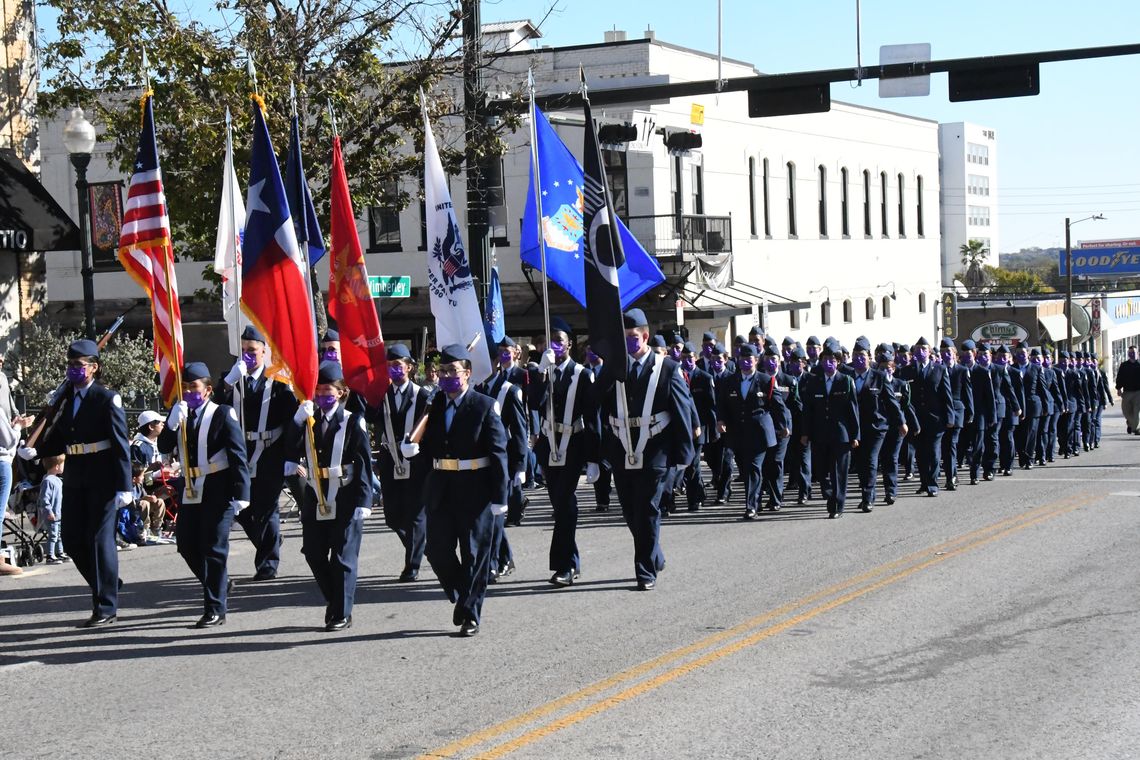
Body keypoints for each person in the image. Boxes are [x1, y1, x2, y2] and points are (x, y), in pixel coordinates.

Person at [400, 343, 508, 636]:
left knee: (474, 554)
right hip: (441, 488)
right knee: (436, 550)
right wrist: (412, 449)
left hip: (476, 489)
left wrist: (501, 496)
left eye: (454, 371)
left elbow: (498, 452)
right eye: (443, 371)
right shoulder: (434, 407)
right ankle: (462, 593)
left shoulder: (484, 405)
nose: (448, 376)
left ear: (468, 373)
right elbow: (429, 447)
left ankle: (471, 612)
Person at [29, 339, 132, 626]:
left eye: (79, 365)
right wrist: (35, 450)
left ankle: (106, 607)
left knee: (100, 542)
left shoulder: (105, 398)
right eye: (70, 365)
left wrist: (125, 486)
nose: (74, 370)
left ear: (94, 368)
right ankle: (109, 582)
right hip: (75, 474)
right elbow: (59, 437)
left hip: (103, 474)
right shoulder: (66, 399)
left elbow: (120, 444)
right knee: (73, 540)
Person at [596, 309, 695, 590]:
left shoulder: (668, 368)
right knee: (630, 511)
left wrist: (683, 459)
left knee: (648, 508)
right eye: (625, 337)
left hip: (655, 450)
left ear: (646, 336)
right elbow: (597, 403)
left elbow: (682, 414)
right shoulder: (614, 367)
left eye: (634, 337)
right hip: (622, 449)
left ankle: (644, 570)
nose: (630, 342)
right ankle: (654, 555)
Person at [160, 362, 250, 628]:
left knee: (213, 548)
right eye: (185, 387)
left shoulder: (222, 414)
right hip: (190, 488)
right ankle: (221, 583)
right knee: (186, 545)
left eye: (194, 387)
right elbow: (164, 446)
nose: (188, 392)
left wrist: (241, 492)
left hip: (217, 487)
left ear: (208, 390)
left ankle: (215, 608)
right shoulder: (180, 414)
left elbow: (237, 454)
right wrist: (171, 424)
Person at [288, 361, 373, 631]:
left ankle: (341, 613)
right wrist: (296, 421)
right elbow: (288, 450)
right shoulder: (308, 420)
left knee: (342, 557)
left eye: (328, 390)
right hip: (315, 495)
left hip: (346, 494)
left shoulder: (351, 421)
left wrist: (364, 500)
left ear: (341, 392)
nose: (323, 395)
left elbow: (363, 462)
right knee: (313, 552)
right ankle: (335, 600)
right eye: (319, 390)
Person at [217, 325, 299, 581]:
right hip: (239, 451)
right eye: (242, 351)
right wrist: (228, 383)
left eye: (252, 350)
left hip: (269, 451)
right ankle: (270, 540)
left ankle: (267, 564)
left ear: (264, 351)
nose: (247, 356)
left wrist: (291, 457)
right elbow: (215, 409)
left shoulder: (278, 382)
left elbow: (290, 420)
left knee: (266, 508)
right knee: (240, 509)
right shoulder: (232, 378)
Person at [531, 317, 599, 586]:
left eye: (559, 341)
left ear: (570, 344)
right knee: (559, 505)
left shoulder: (583, 374)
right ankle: (572, 563)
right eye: (550, 343)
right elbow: (534, 403)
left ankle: (564, 566)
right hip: (549, 443)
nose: (554, 347)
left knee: (564, 503)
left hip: (573, 444)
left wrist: (594, 458)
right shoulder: (543, 371)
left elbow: (592, 417)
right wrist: (540, 373)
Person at [372, 344, 431, 582]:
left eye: (398, 366)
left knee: (415, 514)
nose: (394, 371)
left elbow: (430, 427)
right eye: (390, 366)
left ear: (409, 367)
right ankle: (419, 545)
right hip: (389, 459)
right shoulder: (381, 395)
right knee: (393, 516)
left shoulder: (422, 395)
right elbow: (369, 417)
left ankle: (412, 564)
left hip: (416, 460)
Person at [717, 344, 777, 519]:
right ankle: (756, 500)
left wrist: (784, 427)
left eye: (749, 359)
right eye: (742, 359)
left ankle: (751, 506)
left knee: (753, 467)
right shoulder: (729, 381)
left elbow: (777, 407)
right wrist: (720, 420)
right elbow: (721, 403)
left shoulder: (766, 381)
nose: (745, 363)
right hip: (738, 433)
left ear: (756, 361)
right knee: (746, 469)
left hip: (759, 433)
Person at [800, 342, 859, 517]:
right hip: (820, 433)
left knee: (838, 472)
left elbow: (853, 410)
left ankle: (837, 506)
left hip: (841, 435)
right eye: (825, 359)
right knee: (821, 470)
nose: (828, 363)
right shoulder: (814, 381)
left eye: (832, 360)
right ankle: (829, 493)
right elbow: (807, 410)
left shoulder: (846, 381)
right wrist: (805, 433)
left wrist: (855, 435)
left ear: (838, 362)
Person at [850, 337, 902, 510]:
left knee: (871, 460)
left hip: (876, 427)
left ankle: (867, 497)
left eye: (862, 355)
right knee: (861, 463)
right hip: (856, 428)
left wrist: (901, 422)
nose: (858, 358)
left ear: (869, 357)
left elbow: (891, 401)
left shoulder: (879, 377)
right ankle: (868, 493)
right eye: (856, 354)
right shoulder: (847, 377)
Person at [899, 337, 953, 497]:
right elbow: (904, 396)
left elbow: (946, 395)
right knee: (921, 453)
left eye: (924, 349)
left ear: (929, 352)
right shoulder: (907, 371)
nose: (921, 352)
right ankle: (924, 482)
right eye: (917, 349)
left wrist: (950, 417)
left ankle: (932, 483)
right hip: (916, 420)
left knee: (934, 452)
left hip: (935, 419)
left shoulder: (939, 369)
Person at [877, 343, 915, 504]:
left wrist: (914, 424)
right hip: (878, 426)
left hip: (896, 427)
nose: (887, 370)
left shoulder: (901, 384)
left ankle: (891, 491)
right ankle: (870, 494)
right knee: (879, 459)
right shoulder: (874, 383)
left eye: (889, 367)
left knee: (891, 458)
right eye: (883, 367)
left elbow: (907, 406)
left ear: (894, 368)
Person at [680, 342, 716, 512]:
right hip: (681, 428)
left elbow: (711, 406)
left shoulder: (705, 378)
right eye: (685, 358)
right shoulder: (677, 376)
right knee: (684, 465)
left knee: (693, 464)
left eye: (690, 357)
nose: (688, 361)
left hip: (698, 428)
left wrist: (714, 429)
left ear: (696, 358)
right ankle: (698, 493)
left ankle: (693, 500)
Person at [760, 345, 794, 511]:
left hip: (782, 428)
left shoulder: (787, 380)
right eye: (767, 359)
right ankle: (767, 495)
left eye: (773, 359)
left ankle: (776, 498)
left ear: (779, 361)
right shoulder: (760, 380)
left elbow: (796, 406)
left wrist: (791, 427)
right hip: (765, 428)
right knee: (765, 463)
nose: (770, 362)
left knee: (776, 461)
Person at [940, 339, 974, 490]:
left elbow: (968, 394)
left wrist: (970, 413)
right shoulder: (938, 369)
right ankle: (951, 474)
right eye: (943, 353)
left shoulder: (961, 370)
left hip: (957, 411)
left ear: (954, 354)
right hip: (941, 413)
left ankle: (951, 477)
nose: (946, 355)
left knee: (951, 445)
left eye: (949, 352)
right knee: (946, 446)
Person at [39, 454, 66, 564]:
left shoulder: (58, 480)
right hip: (52, 515)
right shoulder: (48, 481)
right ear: (56, 466)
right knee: (53, 535)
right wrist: (48, 511)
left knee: (59, 535)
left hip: (59, 514)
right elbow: (44, 499)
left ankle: (60, 553)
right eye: (62, 464)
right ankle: (50, 555)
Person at [131, 463, 166, 542]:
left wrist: (152, 498)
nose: (143, 478)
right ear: (134, 479)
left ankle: (156, 528)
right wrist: (144, 498)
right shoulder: (129, 486)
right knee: (144, 503)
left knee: (160, 501)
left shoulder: (139, 485)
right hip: (134, 510)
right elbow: (129, 501)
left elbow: (145, 496)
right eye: (142, 476)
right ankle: (145, 528)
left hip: (143, 509)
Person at [1114, 345, 1140, 434]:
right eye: (1130, 353)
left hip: (1138, 392)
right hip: (1127, 392)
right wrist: (1118, 388)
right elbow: (1119, 377)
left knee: (1136, 411)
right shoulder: (1124, 365)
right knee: (1126, 412)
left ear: (1138, 353)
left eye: (1134, 352)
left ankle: (1136, 428)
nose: (1132, 354)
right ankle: (1130, 423)